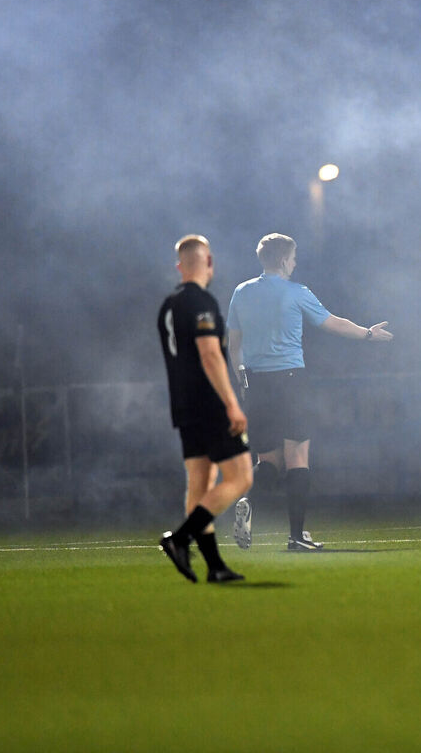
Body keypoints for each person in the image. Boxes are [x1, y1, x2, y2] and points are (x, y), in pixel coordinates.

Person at [227, 232, 393, 551]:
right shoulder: (296, 292)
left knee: (269, 460)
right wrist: (368, 334)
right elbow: (334, 323)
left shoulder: (241, 292)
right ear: (284, 260)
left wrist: (242, 381)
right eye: (293, 257)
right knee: (297, 456)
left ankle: (249, 502)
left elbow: (234, 345)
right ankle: (296, 536)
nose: (296, 262)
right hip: (289, 379)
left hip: (257, 383)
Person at [156, 234, 254, 583]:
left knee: (200, 482)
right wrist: (231, 404)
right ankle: (180, 538)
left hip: (182, 406)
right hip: (209, 404)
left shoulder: (168, 305)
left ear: (179, 265)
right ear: (209, 262)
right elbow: (210, 354)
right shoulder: (201, 301)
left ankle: (214, 566)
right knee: (241, 477)